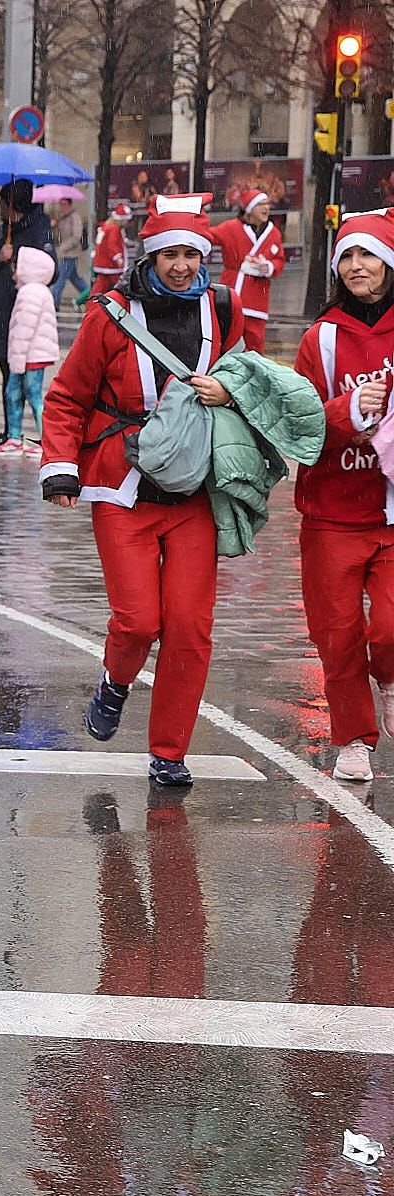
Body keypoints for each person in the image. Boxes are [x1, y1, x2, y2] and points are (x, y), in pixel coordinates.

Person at [39, 194, 242, 788]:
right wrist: (59, 466)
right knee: (137, 621)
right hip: (122, 488)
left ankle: (169, 751)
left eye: (190, 254)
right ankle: (115, 682)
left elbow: (249, 382)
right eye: (169, 254)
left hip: (194, 491)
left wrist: (230, 397)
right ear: (149, 256)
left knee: (188, 624)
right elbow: (67, 396)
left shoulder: (222, 311)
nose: (181, 265)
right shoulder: (110, 315)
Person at [288, 210, 394, 782]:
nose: (357, 267)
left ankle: (392, 678)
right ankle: (354, 737)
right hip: (331, 511)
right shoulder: (319, 339)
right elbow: (298, 427)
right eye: (347, 257)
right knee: (338, 633)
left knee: (391, 629)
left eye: (369, 256)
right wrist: (349, 412)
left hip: (393, 510)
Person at [0, 178, 56, 450]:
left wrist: (20, 265)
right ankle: (10, 431)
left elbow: (50, 270)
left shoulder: (39, 231)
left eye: (2, 202)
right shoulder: (3, 231)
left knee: (23, 383)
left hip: (20, 315)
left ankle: (23, 434)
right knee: (7, 377)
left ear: (14, 206)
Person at [1, 245, 61, 456]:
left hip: (29, 356)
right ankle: (19, 438)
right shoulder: (39, 291)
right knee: (21, 393)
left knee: (29, 395)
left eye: (19, 266)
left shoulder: (29, 293)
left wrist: (17, 361)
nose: (15, 271)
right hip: (35, 354)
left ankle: (41, 440)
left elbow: (24, 330)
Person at [216, 191, 286, 354]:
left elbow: (279, 260)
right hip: (233, 289)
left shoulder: (273, 233)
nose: (266, 208)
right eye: (261, 205)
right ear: (249, 208)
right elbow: (208, 236)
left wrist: (269, 266)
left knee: (255, 343)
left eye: (267, 204)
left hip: (257, 297)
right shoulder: (230, 228)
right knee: (227, 340)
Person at [51, 199, 90, 309]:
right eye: (60, 204)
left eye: (63, 204)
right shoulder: (63, 217)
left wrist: (63, 248)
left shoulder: (75, 217)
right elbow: (59, 236)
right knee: (76, 280)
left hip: (70, 254)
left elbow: (76, 236)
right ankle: (91, 297)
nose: (61, 207)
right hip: (64, 254)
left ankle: (54, 304)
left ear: (69, 204)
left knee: (60, 280)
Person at [91, 203, 132, 306]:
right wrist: (118, 257)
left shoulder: (107, 226)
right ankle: (122, 303)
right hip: (110, 265)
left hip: (103, 263)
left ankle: (91, 304)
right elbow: (112, 244)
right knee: (120, 286)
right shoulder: (114, 229)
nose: (127, 222)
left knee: (100, 286)